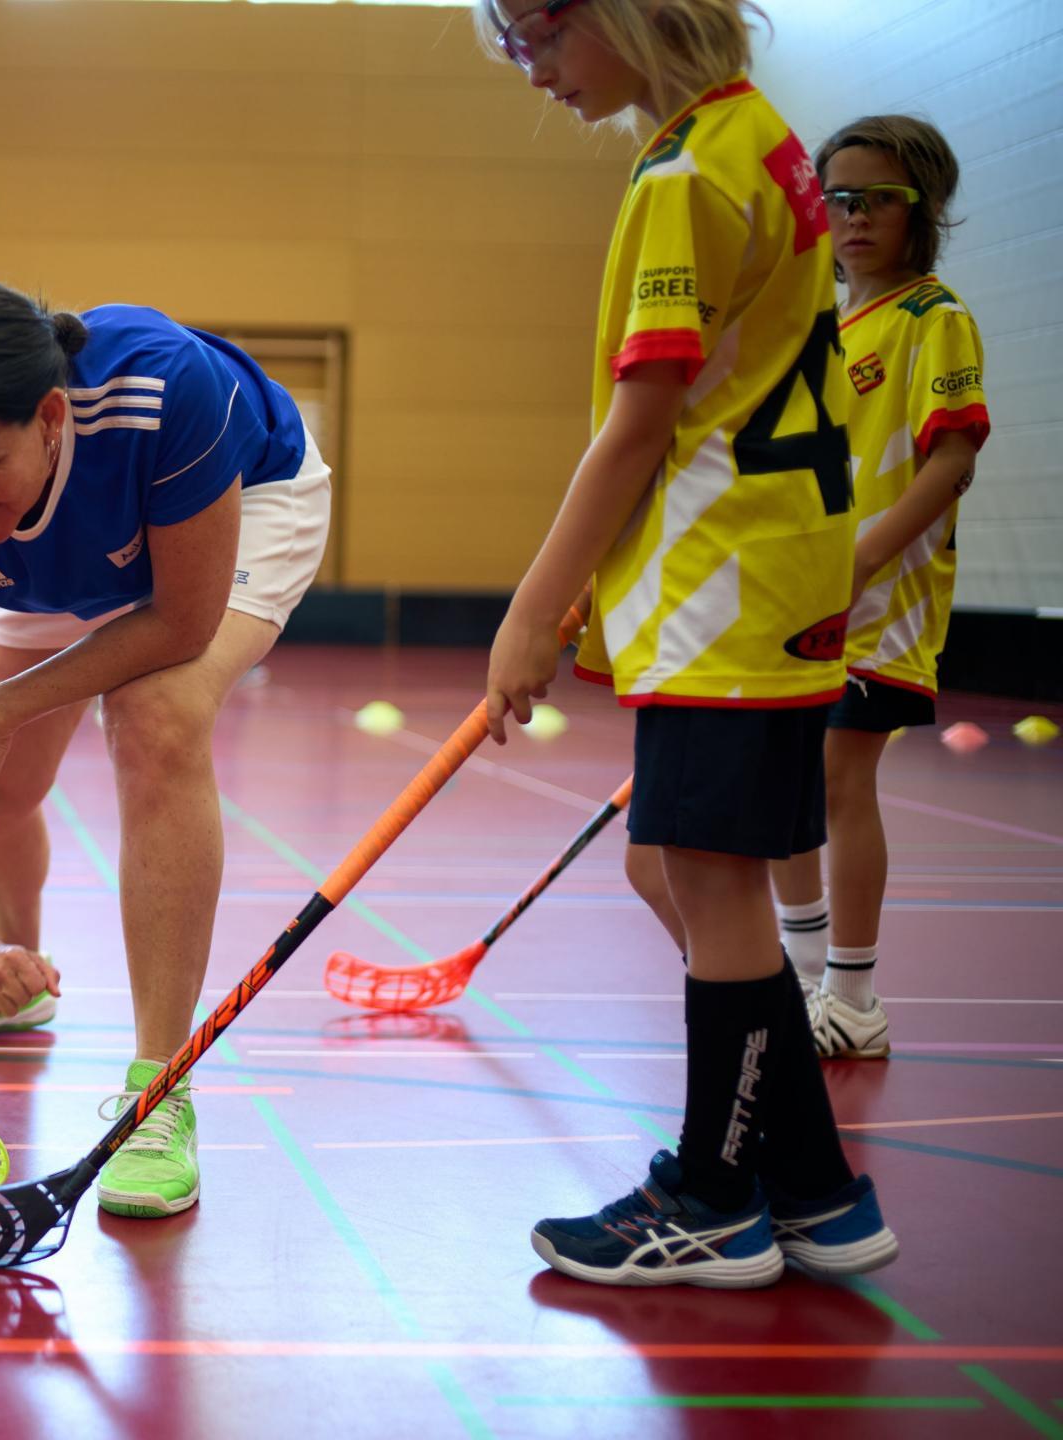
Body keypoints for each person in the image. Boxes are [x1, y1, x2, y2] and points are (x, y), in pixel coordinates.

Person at [479, 0, 896, 1287]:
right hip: (761, 573)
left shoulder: (682, 173)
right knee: (671, 866)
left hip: (729, 580)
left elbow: (640, 420)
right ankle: (819, 1192)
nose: (535, 71)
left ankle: (715, 1197)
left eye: (540, 39)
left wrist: (533, 605)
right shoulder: (758, 139)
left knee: (708, 882)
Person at [0, 272, 331, 1220]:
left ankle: (159, 1089)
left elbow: (182, 621)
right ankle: (17, 981)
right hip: (54, 551)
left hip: (240, 508)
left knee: (153, 716)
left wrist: (2, 705)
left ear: (50, 415)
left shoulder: (162, 390)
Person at [764, 117, 988, 1060]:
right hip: (797, 590)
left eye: (877, 201)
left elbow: (951, 460)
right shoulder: (824, 325)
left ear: (919, 211)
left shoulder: (932, 319)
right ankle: (803, 982)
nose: (853, 217)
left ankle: (852, 995)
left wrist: (856, 559)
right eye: (838, 199)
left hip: (881, 599)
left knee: (834, 776)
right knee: (780, 784)